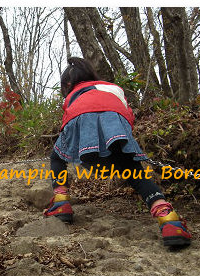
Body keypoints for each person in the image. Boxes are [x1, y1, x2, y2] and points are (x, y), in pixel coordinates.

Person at [43, 57, 191, 247]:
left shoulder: (72, 95)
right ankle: (169, 220)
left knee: (57, 156)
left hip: (79, 120)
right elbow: (128, 115)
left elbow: (68, 120)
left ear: (68, 84)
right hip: (116, 123)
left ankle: (61, 202)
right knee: (133, 170)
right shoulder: (113, 88)